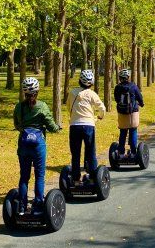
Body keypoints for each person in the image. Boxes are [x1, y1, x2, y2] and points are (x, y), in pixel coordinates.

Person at [13, 77, 60, 215]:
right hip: (38, 144)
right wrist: (57, 128)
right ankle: (38, 205)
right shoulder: (42, 106)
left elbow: (16, 124)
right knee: (39, 175)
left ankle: (22, 207)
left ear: (24, 92)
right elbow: (51, 126)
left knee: (24, 176)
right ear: (37, 91)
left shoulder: (19, 107)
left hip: (23, 144)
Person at [66, 70, 106, 183]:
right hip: (88, 125)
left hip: (74, 126)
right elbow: (102, 108)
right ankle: (93, 177)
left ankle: (75, 178)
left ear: (80, 81)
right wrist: (100, 116)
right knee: (90, 152)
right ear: (92, 82)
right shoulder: (92, 94)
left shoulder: (72, 92)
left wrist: (74, 115)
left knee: (75, 153)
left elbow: (69, 107)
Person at [114, 68, 144, 156]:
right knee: (133, 130)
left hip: (122, 113)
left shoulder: (117, 87)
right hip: (133, 113)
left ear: (120, 78)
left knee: (123, 132)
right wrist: (141, 104)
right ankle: (134, 152)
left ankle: (121, 152)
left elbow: (116, 99)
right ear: (128, 77)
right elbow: (139, 97)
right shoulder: (133, 86)